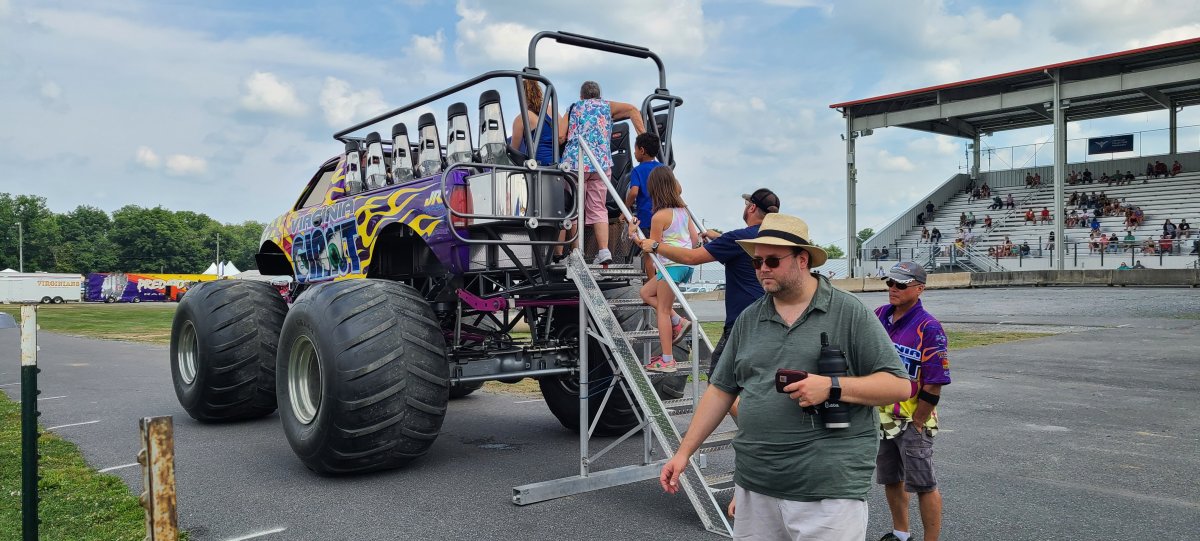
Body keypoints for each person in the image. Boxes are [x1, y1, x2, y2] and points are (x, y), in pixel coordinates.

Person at [659, 213, 909, 541]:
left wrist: (832, 386)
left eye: (773, 261)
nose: (762, 269)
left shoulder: (848, 312)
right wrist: (683, 453)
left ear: (802, 259)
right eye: (757, 261)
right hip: (755, 485)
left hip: (827, 493)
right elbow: (721, 390)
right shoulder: (750, 318)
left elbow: (899, 385)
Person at [638, 188, 779, 382]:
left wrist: (655, 246)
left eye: (746, 205)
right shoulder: (776, 239)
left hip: (742, 322)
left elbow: (691, 257)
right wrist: (718, 238)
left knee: (719, 384)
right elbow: (737, 252)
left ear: (752, 207)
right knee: (759, 383)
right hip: (775, 321)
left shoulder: (738, 239)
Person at [874, 262, 951, 541]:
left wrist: (918, 421)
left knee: (924, 484)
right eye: (889, 283)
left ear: (920, 289)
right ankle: (900, 534)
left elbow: (935, 381)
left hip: (913, 420)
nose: (892, 289)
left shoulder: (929, 327)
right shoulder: (880, 315)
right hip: (883, 417)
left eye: (901, 285)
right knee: (891, 479)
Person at [560, 80, 646, 265]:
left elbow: (560, 135)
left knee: (575, 208)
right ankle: (604, 251)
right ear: (599, 95)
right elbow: (632, 109)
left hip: (576, 163)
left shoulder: (574, 107)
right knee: (599, 208)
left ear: (581, 96)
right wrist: (643, 136)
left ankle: (576, 253)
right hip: (601, 164)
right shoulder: (607, 106)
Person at [629, 167, 698, 372]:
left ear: (654, 189)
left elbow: (651, 247)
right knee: (645, 293)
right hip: (684, 264)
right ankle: (678, 320)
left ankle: (667, 360)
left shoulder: (659, 216)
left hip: (670, 267)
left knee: (663, 311)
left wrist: (633, 234)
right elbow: (694, 241)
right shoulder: (683, 212)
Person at [624, 132, 665, 278]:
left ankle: (651, 284)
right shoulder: (663, 168)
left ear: (642, 150)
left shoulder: (638, 170)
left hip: (647, 219)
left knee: (649, 254)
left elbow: (634, 192)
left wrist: (625, 208)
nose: (634, 153)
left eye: (635, 150)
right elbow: (678, 188)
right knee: (662, 251)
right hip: (665, 218)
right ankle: (662, 283)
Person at [509, 79, 557, 166]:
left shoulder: (521, 118)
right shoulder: (551, 109)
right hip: (556, 164)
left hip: (537, 165)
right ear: (538, 92)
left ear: (522, 96)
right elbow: (561, 136)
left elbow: (513, 151)